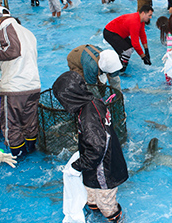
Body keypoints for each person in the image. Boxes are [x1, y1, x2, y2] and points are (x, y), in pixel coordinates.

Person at [52, 71, 128, 223]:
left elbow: (96, 149)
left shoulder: (89, 117)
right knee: (90, 195)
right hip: (98, 164)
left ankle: (116, 219)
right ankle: (95, 212)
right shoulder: (93, 101)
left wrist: (77, 166)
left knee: (105, 203)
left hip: (104, 168)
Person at [0, 7, 41, 156]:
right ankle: (31, 150)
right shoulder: (28, 33)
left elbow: (12, 51)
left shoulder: (7, 28)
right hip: (33, 85)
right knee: (30, 123)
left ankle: (18, 157)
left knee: (11, 125)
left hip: (15, 87)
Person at [103, 5, 153, 72]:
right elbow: (135, 43)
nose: (150, 17)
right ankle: (121, 70)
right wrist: (143, 57)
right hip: (110, 33)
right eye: (149, 15)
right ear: (143, 13)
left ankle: (120, 59)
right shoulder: (135, 22)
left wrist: (146, 50)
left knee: (130, 48)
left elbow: (142, 34)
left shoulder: (141, 20)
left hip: (118, 33)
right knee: (127, 51)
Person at [156, 16, 172, 85]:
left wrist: (167, 59)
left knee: (167, 72)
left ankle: (169, 85)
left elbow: (169, 49)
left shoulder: (169, 35)